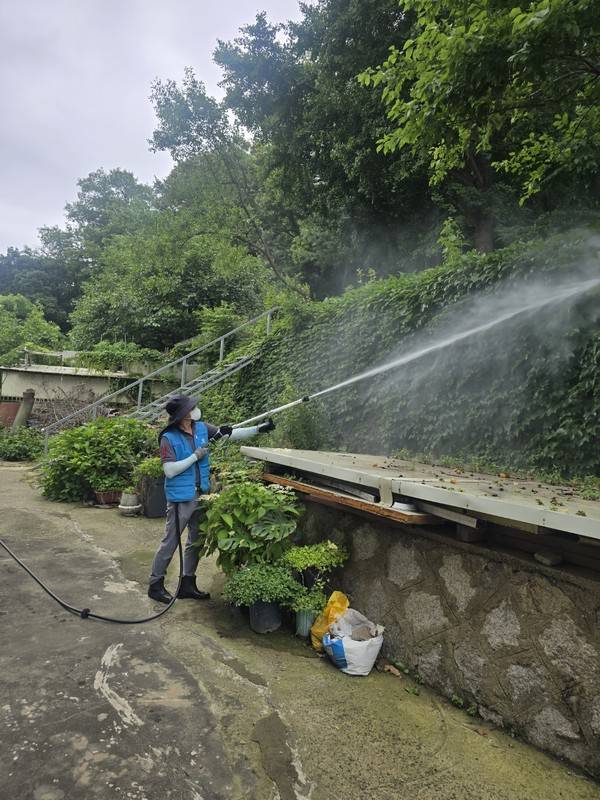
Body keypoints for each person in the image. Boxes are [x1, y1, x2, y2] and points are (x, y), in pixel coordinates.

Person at [148, 394, 275, 604]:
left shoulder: (201, 428)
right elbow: (169, 471)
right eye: (191, 407)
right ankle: (155, 584)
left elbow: (230, 434)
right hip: (181, 497)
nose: (195, 408)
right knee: (171, 541)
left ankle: (187, 583)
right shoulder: (168, 438)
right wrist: (194, 456)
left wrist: (259, 429)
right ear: (182, 414)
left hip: (202, 492)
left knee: (196, 539)